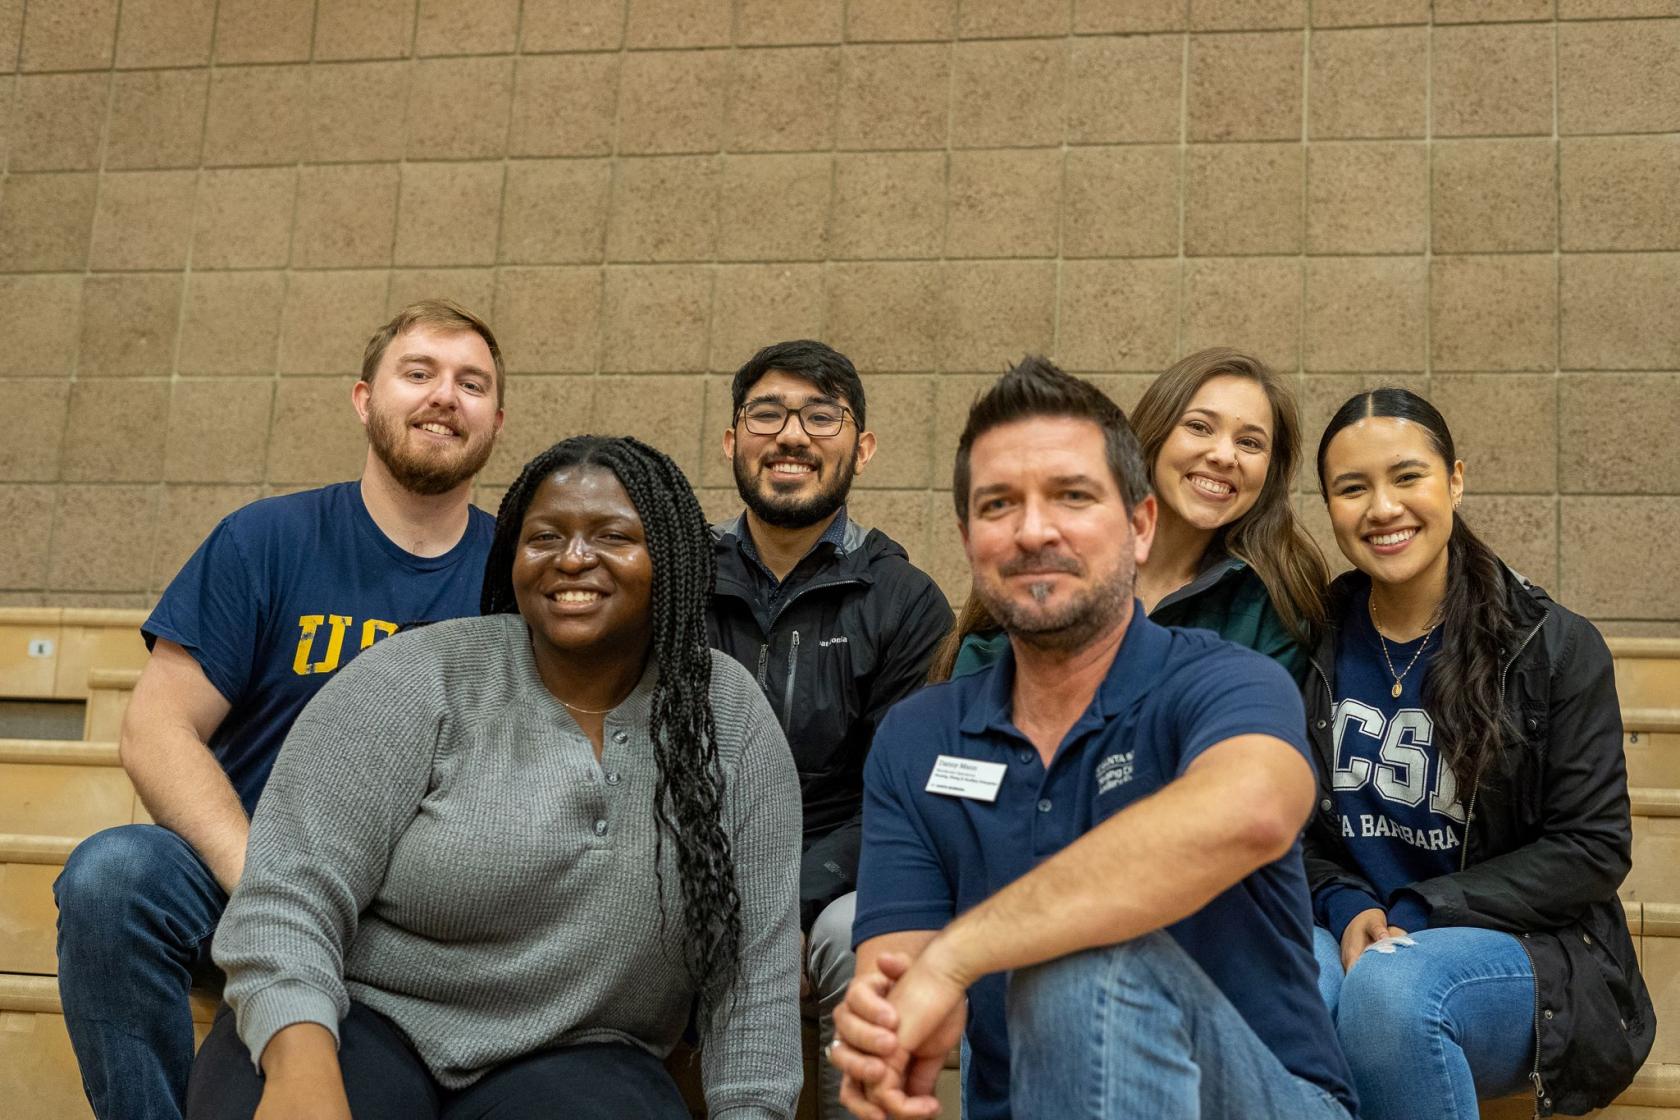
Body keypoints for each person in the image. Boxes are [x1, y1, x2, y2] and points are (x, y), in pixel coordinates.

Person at [184, 436, 803, 1120]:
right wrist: (302, 1067)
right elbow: (286, 897)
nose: (572, 558)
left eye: (612, 536)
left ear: (673, 558)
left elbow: (752, 973)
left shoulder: (729, 715)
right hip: (360, 1017)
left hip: (583, 1053)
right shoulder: (416, 678)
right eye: (544, 536)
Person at [831, 357, 1357, 1120]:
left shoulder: (1230, 682)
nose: (1034, 530)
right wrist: (883, 1039)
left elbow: (1253, 811)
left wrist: (961, 954)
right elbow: (903, 977)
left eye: (1073, 497)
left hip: (1265, 1098)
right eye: (999, 504)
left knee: (1076, 967)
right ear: (967, 535)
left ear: (1140, 526)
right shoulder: (920, 736)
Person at [52, 300, 507, 1120]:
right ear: (364, 399)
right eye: (419, 373)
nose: (446, 395)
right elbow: (156, 730)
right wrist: (268, 883)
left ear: (497, 421)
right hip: (251, 874)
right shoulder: (266, 540)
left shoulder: (517, 575)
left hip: (424, 914)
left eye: (471, 383)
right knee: (114, 876)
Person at [1304, 388, 1653, 1119]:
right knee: (1290, 985)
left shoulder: (1550, 646)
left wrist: (1418, 907)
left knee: (1389, 990)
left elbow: (1591, 848)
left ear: (1454, 479)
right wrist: (1345, 901)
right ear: (1329, 505)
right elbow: (1288, 828)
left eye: (1407, 477)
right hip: (1355, 926)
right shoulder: (1314, 637)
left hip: (1525, 950)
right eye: (1352, 488)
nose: (1383, 508)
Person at [708, 340, 953, 1117]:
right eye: (767, 414)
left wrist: (786, 902)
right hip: (688, 859)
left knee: (866, 948)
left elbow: (899, 797)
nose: (791, 436)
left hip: (842, 875)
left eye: (822, 416)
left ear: (863, 447)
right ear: (732, 441)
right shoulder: (675, 576)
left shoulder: (906, 601)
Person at [931, 347, 1325, 684]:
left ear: (1271, 470)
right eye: (1199, 427)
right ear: (1155, 433)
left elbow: (1250, 750)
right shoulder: (1061, 543)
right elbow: (973, 695)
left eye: (1250, 443)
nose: (1224, 455)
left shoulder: (1274, 598)